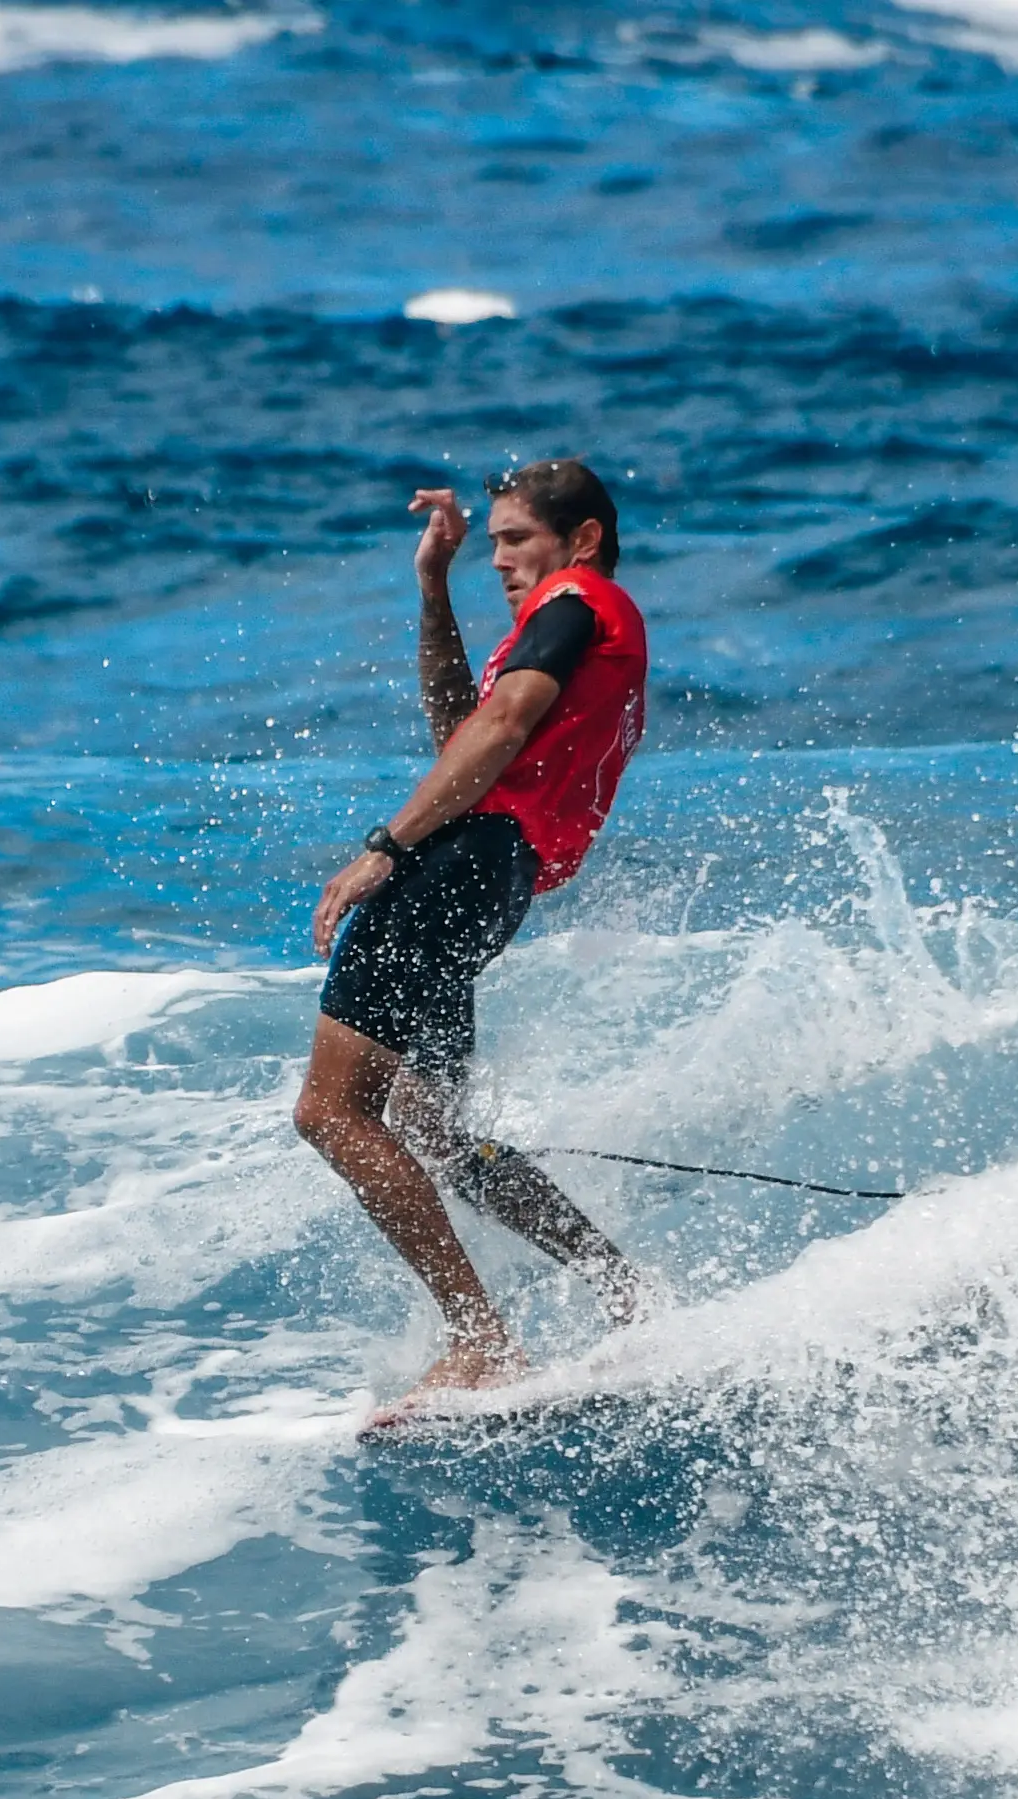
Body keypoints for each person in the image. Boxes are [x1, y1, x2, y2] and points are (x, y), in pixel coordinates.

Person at [293, 457, 649, 1411]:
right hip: (498, 881)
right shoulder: (560, 631)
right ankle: (627, 1293)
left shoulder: (580, 599)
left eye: (513, 538)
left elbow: (493, 735)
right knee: (429, 1127)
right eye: (490, 542)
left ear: (579, 539)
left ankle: (480, 1336)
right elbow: (464, 725)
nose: (499, 558)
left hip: (455, 866)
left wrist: (385, 849)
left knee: (330, 1114)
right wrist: (432, 587)